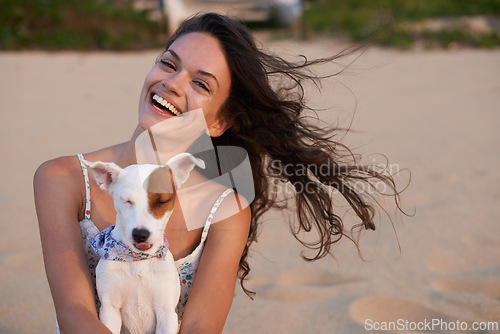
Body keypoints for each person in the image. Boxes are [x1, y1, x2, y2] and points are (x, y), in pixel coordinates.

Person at [34, 13, 405, 334]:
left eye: (201, 84)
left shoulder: (226, 210)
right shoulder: (63, 178)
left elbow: (199, 327)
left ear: (219, 122)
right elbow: (75, 312)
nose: (173, 83)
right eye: (168, 63)